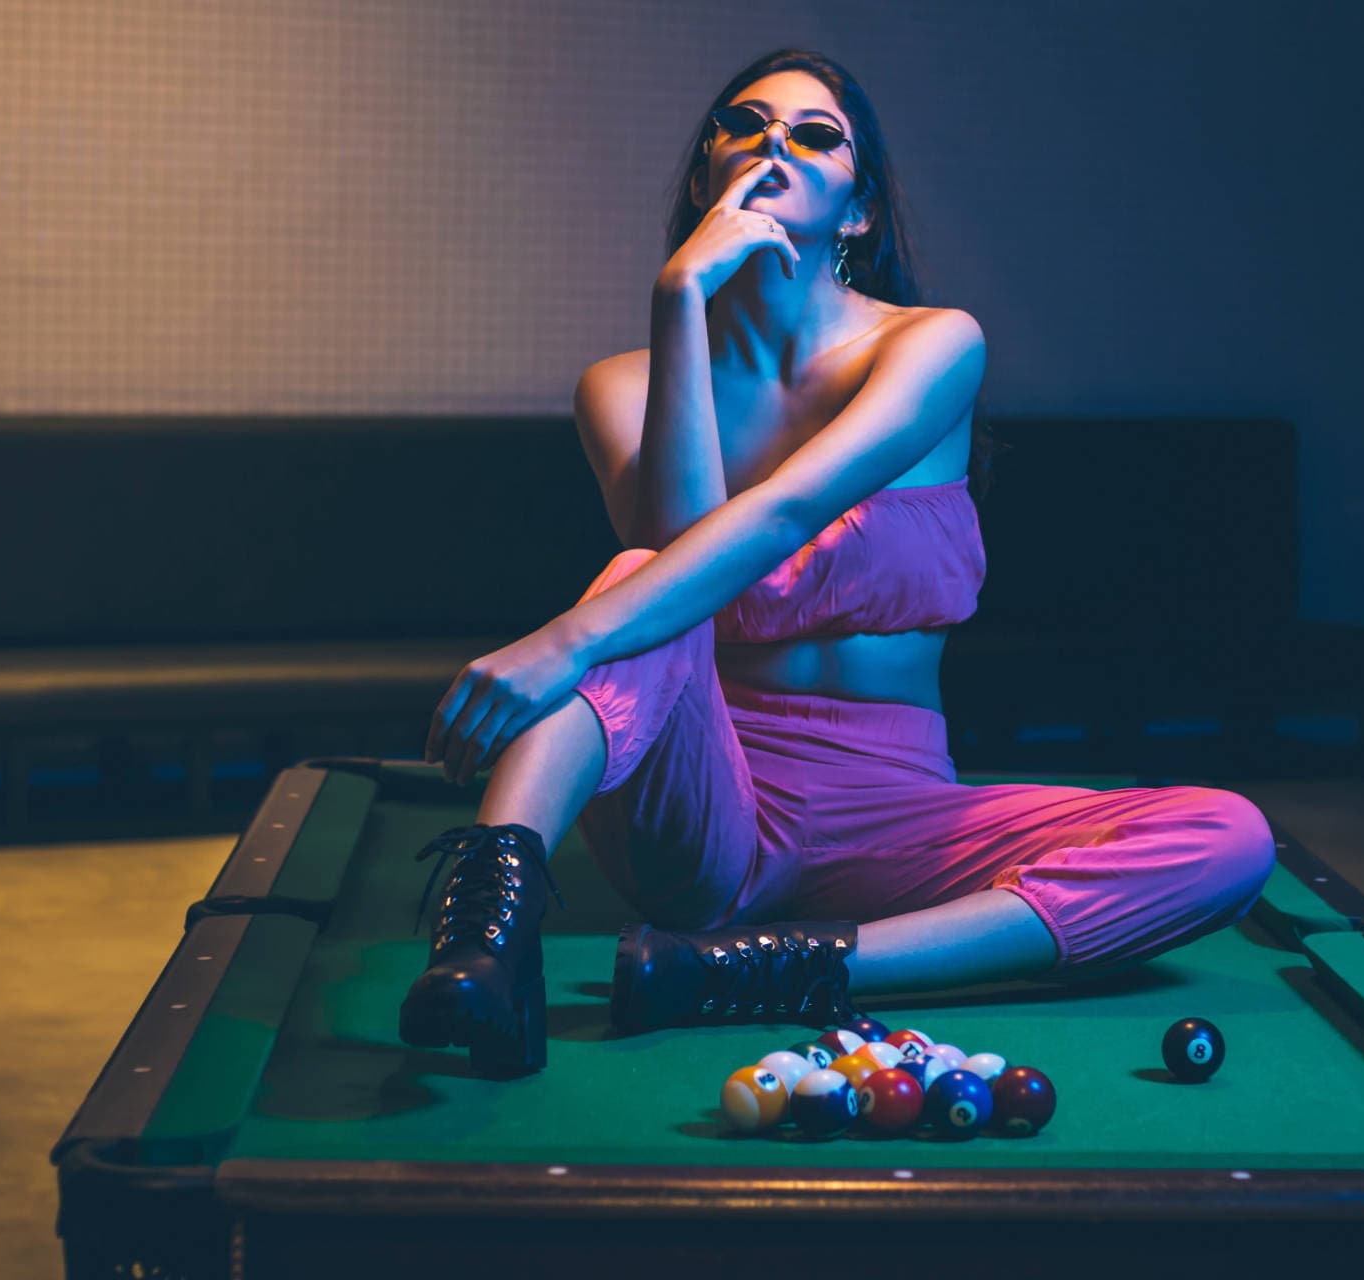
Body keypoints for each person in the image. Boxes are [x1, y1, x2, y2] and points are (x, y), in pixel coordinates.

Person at [398, 48, 1276, 1077]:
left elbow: (788, 511)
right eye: (746, 124)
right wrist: (681, 294)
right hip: (704, 805)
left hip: (898, 815)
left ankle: (775, 968)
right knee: (646, 568)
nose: (776, 143)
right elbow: (687, 559)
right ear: (703, 177)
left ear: (856, 209)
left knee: (1228, 835)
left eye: (816, 134)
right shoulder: (619, 383)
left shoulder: (934, 345)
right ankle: (484, 942)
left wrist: (556, 643)